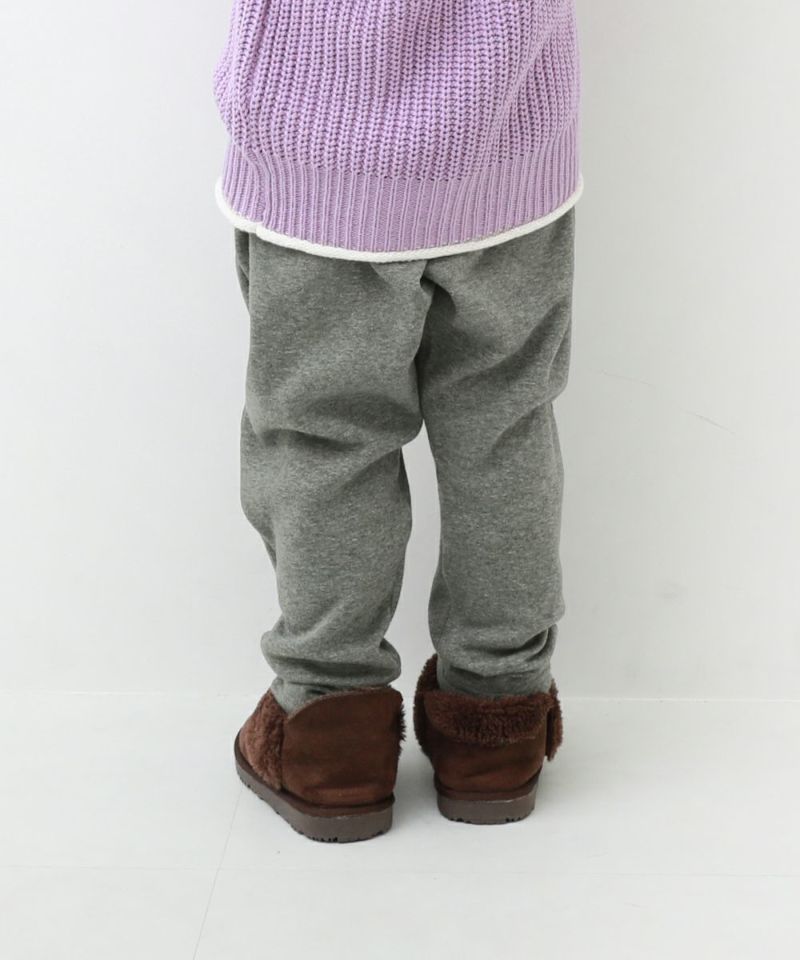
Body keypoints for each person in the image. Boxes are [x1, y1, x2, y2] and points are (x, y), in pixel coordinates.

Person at [214, 0, 580, 841]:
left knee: (323, 440)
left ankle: (327, 724)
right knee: (504, 432)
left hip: (318, 144)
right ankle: (497, 717)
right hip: (508, 138)